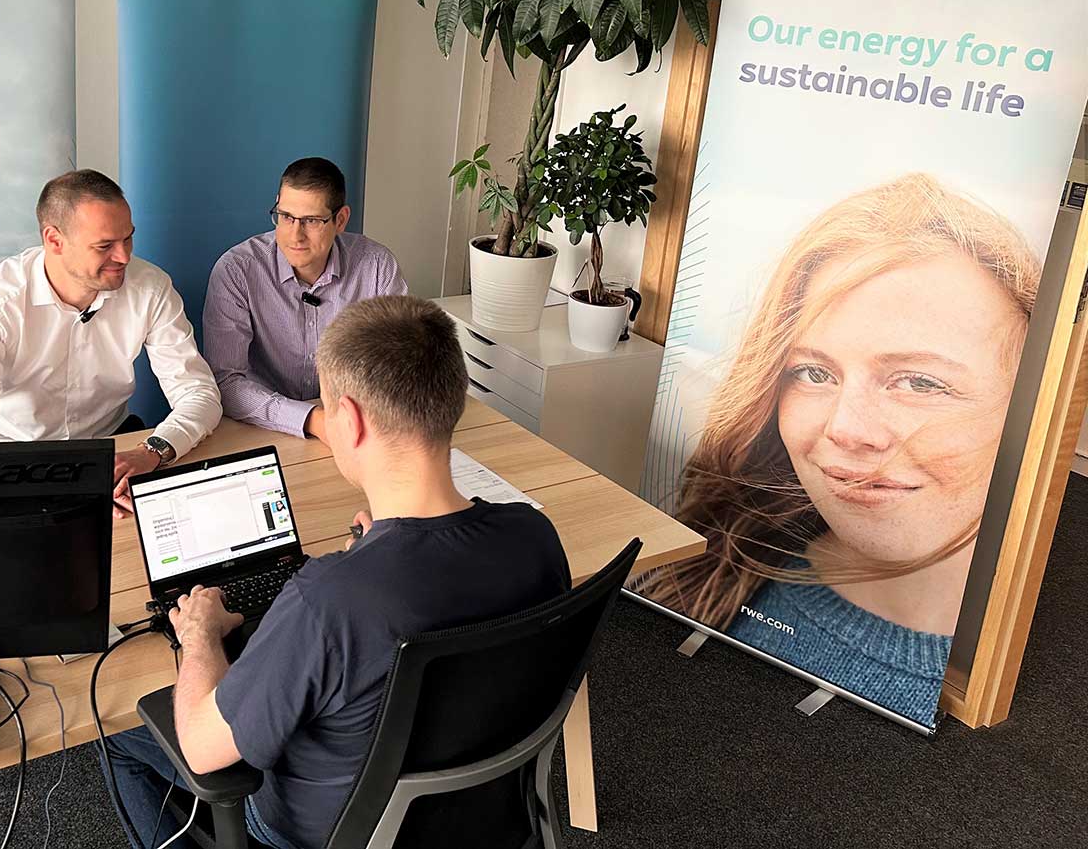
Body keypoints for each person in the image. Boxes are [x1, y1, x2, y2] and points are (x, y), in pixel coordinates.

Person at [101, 296, 571, 849]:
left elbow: (205, 748)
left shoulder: (328, 599)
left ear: (346, 419)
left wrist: (201, 634)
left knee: (118, 738)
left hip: (324, 831)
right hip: (487, 816)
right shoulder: (533, 536)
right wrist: (380, 552)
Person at [639, 173, 1040, 725]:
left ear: (1028, 403)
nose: (846, 430)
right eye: (812, 372)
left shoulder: (1043, 687)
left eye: (919, 382)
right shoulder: (704, 571)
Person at [0, 170, 221, 513]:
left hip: (115, 449)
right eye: (104, 246)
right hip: (16, 461)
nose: (124, 257)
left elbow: (199, 393)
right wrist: (59, 479)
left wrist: (153, 451)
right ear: (54, 240)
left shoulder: (151, 287)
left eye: (128, 238)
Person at [204, 157, 407, 440]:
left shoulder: (376, 266)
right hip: (261, 427)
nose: (295, 235)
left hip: (356, 424)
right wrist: (314, 420)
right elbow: (224, 382)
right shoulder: (237, 270)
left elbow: (397, 364)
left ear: (341, 220)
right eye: (286, 216)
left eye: (311, 221)